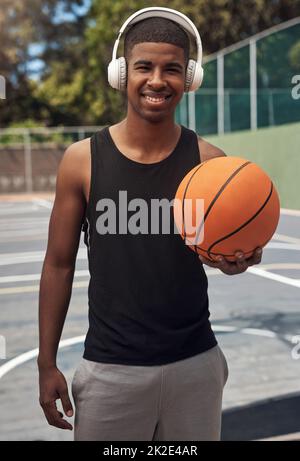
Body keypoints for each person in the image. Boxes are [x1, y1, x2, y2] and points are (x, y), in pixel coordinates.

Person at [38, 7, 262, 441]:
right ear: (121, 73)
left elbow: (214, 248)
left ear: (189, 78)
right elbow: (58, 264)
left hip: (194, 364)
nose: (157, 80)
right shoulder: (82, 161)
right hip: (110, 371)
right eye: (144, 66)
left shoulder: (209, 162)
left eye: (172, 69)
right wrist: (47, 363)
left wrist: (236, 259)